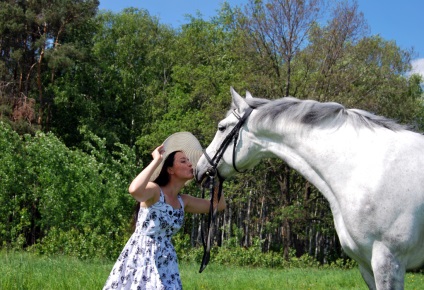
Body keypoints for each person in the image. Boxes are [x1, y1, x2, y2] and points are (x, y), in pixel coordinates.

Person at [103, 132, 226, 290]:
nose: (190, 164)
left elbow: (218, 205)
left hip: (166, 261)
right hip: (141, 256)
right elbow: (134, 190)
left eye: (189, 161)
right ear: (170, 170)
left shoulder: (184, 201)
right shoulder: (155, 192)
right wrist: (156, 161)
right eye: (183, 161)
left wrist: (215, 178)